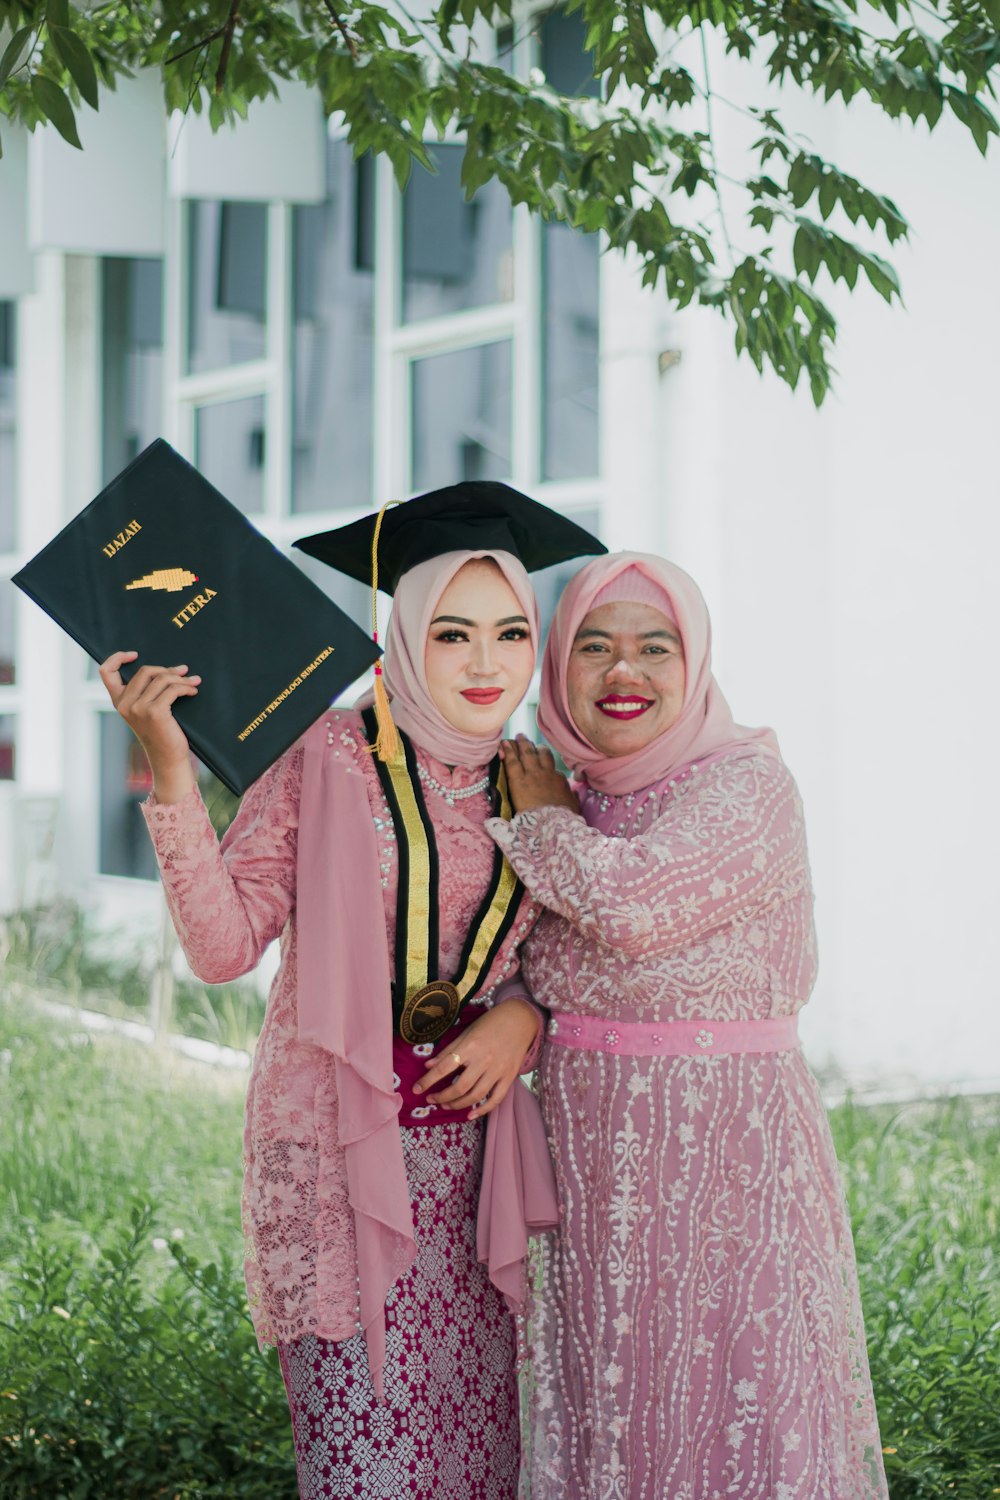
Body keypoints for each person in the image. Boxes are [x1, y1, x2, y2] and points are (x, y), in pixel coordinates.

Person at [99, 485, 605, 1500]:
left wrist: (524, 1018)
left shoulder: (537, 778)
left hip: (479, 1163)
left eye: (509, 633)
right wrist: (170, 766)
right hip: (337, 1151)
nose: (482, 663)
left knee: (481, 1459)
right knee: (364, 1457)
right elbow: (223, 943)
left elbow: (564, 963)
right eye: (451, 633)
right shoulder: (327, 754)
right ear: (404, 635)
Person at [489, 552, 889, 1500]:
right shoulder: (573, 797)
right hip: (593, 1180)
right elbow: (514, 965)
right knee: (614, 1406)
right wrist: (512, 1011)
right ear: (559, 668)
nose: (623, 673)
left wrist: (543, 824)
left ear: (695, 663)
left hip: (729, 1175)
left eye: (653, 648)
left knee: (733, 1407)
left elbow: (629, 907)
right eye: (595, 647)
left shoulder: (747, 787)